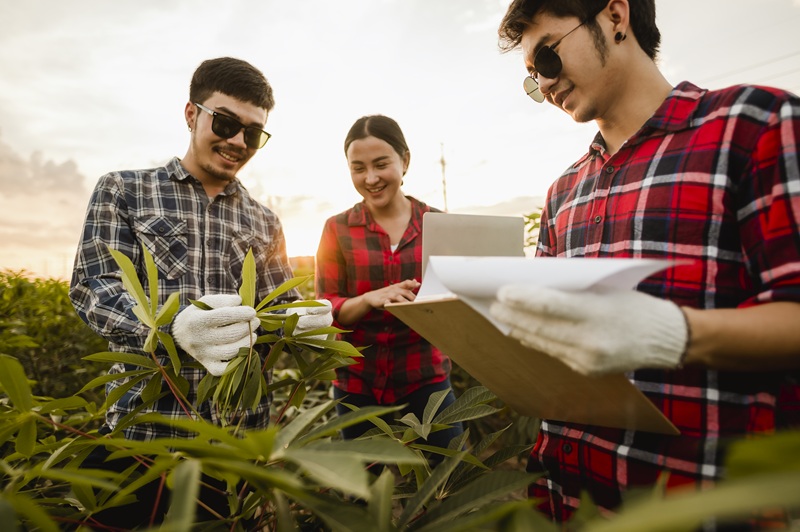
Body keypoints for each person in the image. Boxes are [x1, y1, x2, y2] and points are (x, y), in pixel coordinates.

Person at [491, 0, 800, 528]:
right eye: (531, 80)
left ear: (615, 16)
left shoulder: (753, 125)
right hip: (571, 502)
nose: (544, 86)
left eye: (546, 59)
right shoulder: (562, 193)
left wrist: (672, 332)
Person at [69, 56, 332, 528]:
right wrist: (170, 329)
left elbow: (274, 312)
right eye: (226, 122)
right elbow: (93, 288)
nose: (237, 142)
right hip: (143, 431)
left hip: (236, 438)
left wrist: (302, 321)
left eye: (252, 133)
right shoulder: (124, 191)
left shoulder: (264, 220)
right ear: (192, 115)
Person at [314, 115, 463, 461]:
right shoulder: (337, 229)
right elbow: (328, 306)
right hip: (358, 378)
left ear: (404, 161)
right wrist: (368, 299)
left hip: (425, 373)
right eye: (358, 168)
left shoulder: (437, 224)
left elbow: (456, 301)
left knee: (451, 478)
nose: (370, 178)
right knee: (362, 492)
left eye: (381, 164)